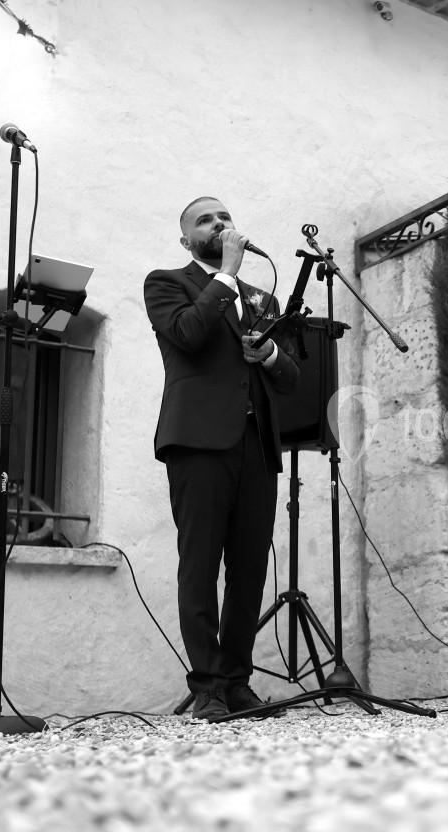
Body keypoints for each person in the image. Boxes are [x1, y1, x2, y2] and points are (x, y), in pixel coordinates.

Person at [144, 196, 301, 719]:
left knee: (250, 568)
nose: (219, 224)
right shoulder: (166, 282)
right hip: (197, 443)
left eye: (225, 217)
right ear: (187, 239)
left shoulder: (262, 298)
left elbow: (293, 378)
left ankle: (237, 681)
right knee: (201, 563)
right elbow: (188, 334)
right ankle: (207, 684)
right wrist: (227, 274)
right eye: (205, 219)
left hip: (256, 446)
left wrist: (271, 354)